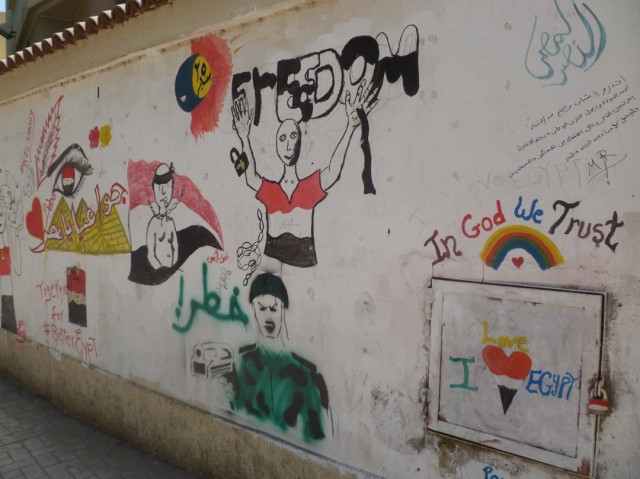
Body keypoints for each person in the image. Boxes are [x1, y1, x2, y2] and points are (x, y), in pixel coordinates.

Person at [231, 80, 377, 267]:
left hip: (304, 266)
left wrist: (350, 126)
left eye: (293, 136)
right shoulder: (272, 191)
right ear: (276, 147)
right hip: (272, 261)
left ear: (301, 142)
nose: (288, 145)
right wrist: (244, 136)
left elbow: (333, 170)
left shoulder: (308, 187)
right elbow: (251, 177)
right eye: (282, 138)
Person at [222, 273, 330, 442]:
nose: (268, 317)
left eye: (273, 309)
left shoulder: (305, 372)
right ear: (253, 309)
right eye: (262, 309)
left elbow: (315, 432)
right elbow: (238, 413)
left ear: (283, 311)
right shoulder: (243, 361)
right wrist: (231, 399)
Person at [146, 163, 182, 269]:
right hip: (160, 273)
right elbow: (151, 254)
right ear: (154, 189)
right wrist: (161, 272)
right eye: (158, 188)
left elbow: (175, 247)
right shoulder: (153, 224)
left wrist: (173, 267)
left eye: (166, 186)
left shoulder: (171, 223)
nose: (163, 192)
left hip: (172, 271)